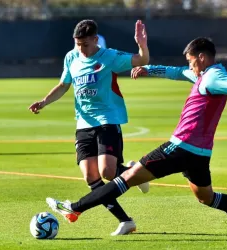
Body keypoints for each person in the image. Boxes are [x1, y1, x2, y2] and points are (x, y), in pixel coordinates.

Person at [45, 37, 227, 237]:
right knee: (207, 197)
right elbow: (176, 71)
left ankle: (75, 208)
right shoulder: (202, 74)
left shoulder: (216, 77)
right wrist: (149, 69)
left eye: (192, 60)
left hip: (180, 147)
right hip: (200, 154)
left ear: (202, 58)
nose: (190, 64)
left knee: (126, 177)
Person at [28, 19, 150, 236]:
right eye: (77, 44)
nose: (81, 49)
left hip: (107, 119)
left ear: (95, 40)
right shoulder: (71, 57)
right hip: (83, 123)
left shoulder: (109, 57)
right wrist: (44, 101)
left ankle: (135, 174)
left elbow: (142, 59)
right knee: (91, 176)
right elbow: (64, 84)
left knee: (108, 172)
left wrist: (142, 44)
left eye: (85, 44)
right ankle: (125, 221)